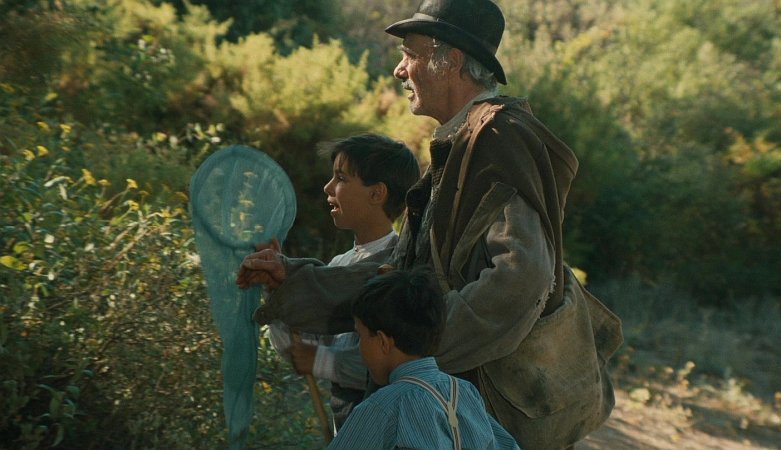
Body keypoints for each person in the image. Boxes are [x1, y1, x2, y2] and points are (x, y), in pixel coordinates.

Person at [238, 1, 623, 448]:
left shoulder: (498, 139)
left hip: (493, 414)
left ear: (452, 60)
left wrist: (422, 348)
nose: (399, 70)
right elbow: (406, 278)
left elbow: (521, 276)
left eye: (410, 54)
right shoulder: (464, 142)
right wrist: (295, 278)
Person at [245, 133, 420, 430]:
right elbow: (300, 346)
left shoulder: (399, 267)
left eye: (341, 178)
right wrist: (277, 289)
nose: (327, 188)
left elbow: (391, 363)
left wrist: (322, 361)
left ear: (377, 194)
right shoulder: (339, 265)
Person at [329, 266, 519, 450]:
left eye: (360, 336)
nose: (360, 346)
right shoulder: (465, 392)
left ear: (383, 342)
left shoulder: (382, 407)